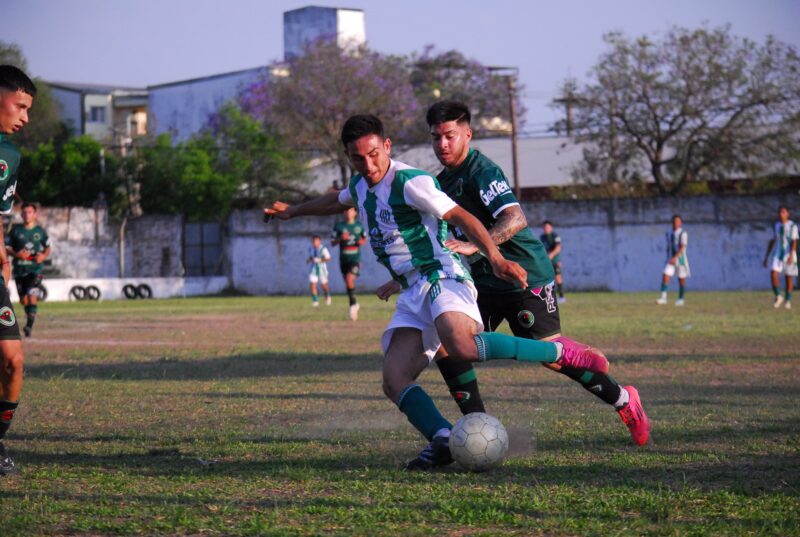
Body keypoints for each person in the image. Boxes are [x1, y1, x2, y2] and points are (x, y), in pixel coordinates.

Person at [265, 114, 607, 471]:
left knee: (462, 346)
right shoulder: (360, 185)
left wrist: (495, 258)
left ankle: (562, 353)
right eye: (358, 158)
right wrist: (293, 211)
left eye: (374, 155)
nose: (368, 165)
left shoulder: (411, 182)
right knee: (394, 379)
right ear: (349, 156)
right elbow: (337, 200)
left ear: (387, 146)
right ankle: (442, 438)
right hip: (413, 288)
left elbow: (462, 217)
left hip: (442, 274)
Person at [424, 101, 649, 466]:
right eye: (436, 137)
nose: (442, 144)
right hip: (481, 282)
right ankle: (477, 428)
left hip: (523, 274)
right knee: (448, 345)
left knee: (550, 356)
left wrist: (478, 244)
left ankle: (625, 400)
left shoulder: (483, 172)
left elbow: (515, 218)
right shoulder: (441, 184)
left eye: (450, 136)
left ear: (468, 134)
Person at [0, 65, 36, 475]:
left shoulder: (9, 155)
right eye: (20, 106)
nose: (24, 117)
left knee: (13, 360)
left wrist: (4, 260)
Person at [6, 202, 50, 337]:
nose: (27, 215)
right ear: (21, 214)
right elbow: (6, 248)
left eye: (30, 212)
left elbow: (47, 247)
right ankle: (29, 316)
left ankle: (29, 326)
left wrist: (43, 256)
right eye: (24, 212)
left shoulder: (40, 232)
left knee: (32, 294)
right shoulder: (15, 231)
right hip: (19, 270)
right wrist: (17, 254)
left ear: (35, 214)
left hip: (35, 270)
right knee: (23, 300)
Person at [331, 207, 367, 320]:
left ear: (355, 212)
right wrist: (340, 238)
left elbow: (364, 238)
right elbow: (332, 242)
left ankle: (352, 305)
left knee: (349, 279)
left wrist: (362, 241)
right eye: (346, 210)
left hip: (355, 259)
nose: (348, 212)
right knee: (348, 283)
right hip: (343, 260)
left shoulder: (359, 226)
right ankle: (354, 302)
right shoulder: (339, 226)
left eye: (350, 210)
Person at [764, 206, 798, 309]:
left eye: (783, 212)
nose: (781, 214)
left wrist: (791, 255)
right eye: (779, 212)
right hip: (777, 254)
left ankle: (788, 300)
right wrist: (767, 256)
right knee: (773, 273)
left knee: (788, 277)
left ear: (788, 214)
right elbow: (773, 240)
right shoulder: (776, 225)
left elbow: (794, 241)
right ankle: (778, 296)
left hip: (788, 254)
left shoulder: (792, 226)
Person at [656, 214, 690, 306]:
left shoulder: (683, 233)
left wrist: (676, 257)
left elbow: (682, 247)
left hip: (680, 259)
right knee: (665, 275)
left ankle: (681, 299)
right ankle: (663, 298)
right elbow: (669, 246)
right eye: (674, 221)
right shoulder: (669, 233)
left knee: (681, 278)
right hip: (670, 258)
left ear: (680, 223)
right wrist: (669, 256)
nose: (676, 223)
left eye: (678, 221)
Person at [540, 220, 565, 303]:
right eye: (544, 227)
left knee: (558, 277)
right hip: (545, 261)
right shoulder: (542, 237)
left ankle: (561, 296)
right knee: (546, 278)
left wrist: (551, 255)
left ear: (551, 227)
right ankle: (547, 296)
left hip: (554, 260)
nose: (546, 228)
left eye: (547, 227)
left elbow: (558, 248)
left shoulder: (555, 236)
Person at [307, 235, 331, 307]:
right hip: (313, 269)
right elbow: (311, 257)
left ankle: (327, 296)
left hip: (322, 269)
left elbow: (328, 258)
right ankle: (315, 301)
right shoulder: (311, 248)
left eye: (316, 241)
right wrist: (309, 260)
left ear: (319, 241)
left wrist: (320, 260)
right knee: (312, 285)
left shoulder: (323, 249)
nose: (314, 243)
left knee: (324, 286)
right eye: (313, 241)